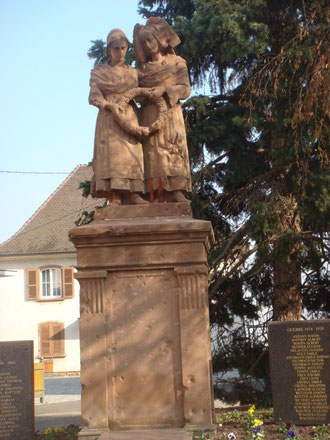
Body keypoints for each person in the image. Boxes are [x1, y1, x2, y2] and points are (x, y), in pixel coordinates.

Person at [134, 18, 192, 202]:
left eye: (150, 40)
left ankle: (177, 191)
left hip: (171, 112)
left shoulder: (177, 63)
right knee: (153, 153)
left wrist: (166, 89)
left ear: (159, 39)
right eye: (143, 42)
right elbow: (138, 97)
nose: (147, 45)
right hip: (150, 114)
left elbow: (185, 89)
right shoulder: (141, 70)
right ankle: (153, 194)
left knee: (172, 149)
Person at [89, 29, 147, 205]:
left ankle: (134, 193)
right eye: (116, 48)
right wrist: (108, 105)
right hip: (109, 117)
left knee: (132, 152)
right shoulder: (99, 72)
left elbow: (142, 96)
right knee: (111, 155)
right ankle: (114, 195)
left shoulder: (133, 73)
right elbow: (94, 96)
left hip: (129, 114)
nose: (120, 52)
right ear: (109, 50)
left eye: (123, 48)